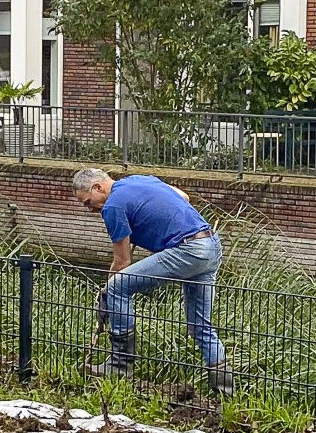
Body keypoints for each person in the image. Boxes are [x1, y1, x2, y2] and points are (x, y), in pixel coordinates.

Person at [71, 168, 231, 396]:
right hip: (211, 246)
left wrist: (106, 294)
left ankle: (119, 365)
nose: (90, 209)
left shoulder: (112, 206)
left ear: (97, 187)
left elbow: (122, 262)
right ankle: (224, 391)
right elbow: (183, 196)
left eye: (88, 202)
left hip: (188, 251)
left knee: (117, 287)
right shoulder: (139, 180)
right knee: (200, 325)